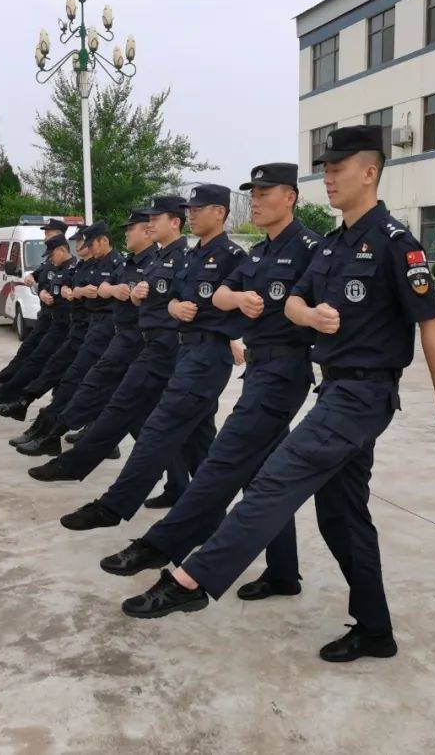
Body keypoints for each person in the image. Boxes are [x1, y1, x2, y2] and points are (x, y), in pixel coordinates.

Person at [119, 125, 435, 665]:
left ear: (370, 172)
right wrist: (308, 313)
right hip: (334, 387)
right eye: (325, 170)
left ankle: (192, 581)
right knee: (342, 514)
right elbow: (292, 304)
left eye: (339, 169)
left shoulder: (397, 245)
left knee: (275, 478)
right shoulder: (332, 245)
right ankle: (375, 629)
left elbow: (432, 326)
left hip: (364, 395)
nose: (329, 178)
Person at [99, 163, 319, 603]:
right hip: (258, 367)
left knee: (222, 461)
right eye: (251, 193)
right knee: (261, 473)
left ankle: (164, 546)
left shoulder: (312, 249)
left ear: (290, 197)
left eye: (264, 192)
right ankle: (283, 573)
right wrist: (236, 298)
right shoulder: (258, 253)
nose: (254, 200)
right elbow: (221, 295)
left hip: (284, 372)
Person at [55, 184, 247, 532]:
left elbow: (238, 301)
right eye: (189, 209)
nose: (192, 214)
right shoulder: (192, 258)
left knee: (158, 428)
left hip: (199, 356)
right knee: (199, 442)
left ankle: (112, 505)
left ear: (219, 213)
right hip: (185, 350)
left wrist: (228, 336)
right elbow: (173, 301)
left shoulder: (234, 255)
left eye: (198, 209)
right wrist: (173, 305)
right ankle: (211, 518)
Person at [27, 196, 195, 498]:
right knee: (140, 417)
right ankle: (177, 487)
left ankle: (62, 446)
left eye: (145, 223)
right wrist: (125, 292)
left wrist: (227, 339)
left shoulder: (184, 258)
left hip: (164, 348)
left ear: (172, 222)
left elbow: (194, 302)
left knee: (148, 416)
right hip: (140, 342)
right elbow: (132, 295)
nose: (129, 233)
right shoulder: (155, 259)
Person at [13, 212, 154, 456]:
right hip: (106, 332)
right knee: (88, 386)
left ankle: (53, 433)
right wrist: (109, 289)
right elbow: (105, 288)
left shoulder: (141, 262)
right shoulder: (125, 263)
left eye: (131, 229)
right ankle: (52, 433)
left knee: (95, 388)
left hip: (124, 336)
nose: (127, 234)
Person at [0, 224, 121, 423]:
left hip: (99, 330)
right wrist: (68, 291)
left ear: (104, 241)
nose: (82, 247)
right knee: (62, 371)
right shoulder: (86, 265)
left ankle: (45, 422)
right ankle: (25, 404)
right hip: (80, 327)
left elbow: (109, 293)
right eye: (81, 242)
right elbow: (67, 286)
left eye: (86, 243)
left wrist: (83, 292)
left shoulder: (116, 264)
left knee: (82, 380)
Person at [0, 230, 77, 408]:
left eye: (49, 235)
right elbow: (41, 282)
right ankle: (2, 389)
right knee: (27, 354)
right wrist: (41, 291)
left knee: (46, 365)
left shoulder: (73, 269)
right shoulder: (52, 264)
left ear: (62, 249)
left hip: (64, 325)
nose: (45, 238)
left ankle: (13, 397)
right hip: (47, 320)